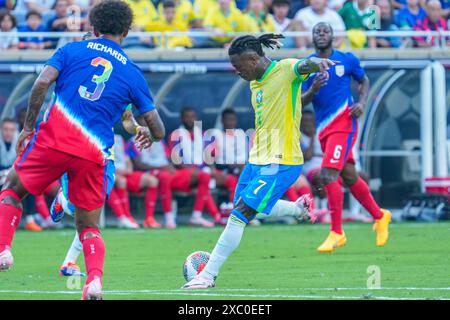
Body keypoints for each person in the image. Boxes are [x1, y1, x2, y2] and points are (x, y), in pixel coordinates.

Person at [0, 0, 165, 301]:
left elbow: (41, 84)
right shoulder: (131, 72)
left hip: (54, 141)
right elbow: (156, 125)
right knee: (89, 226)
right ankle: (94, 282)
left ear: (93, 27)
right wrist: (150, 136)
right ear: (127, 31)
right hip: (94, 153)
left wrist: (28, 127)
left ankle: (4, 250)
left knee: (11, 190)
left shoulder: (71, 51)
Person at [182, 33, 333, 289]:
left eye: (239, 67)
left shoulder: (285, 69)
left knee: (240, 215)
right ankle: (298, 209)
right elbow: (293, 101)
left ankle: (207, 276)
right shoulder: (255, 83)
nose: (237, 72)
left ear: (253, 59)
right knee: (245, 207)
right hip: (257, 158)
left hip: (281, 159)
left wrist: (317, 62)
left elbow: (303, 64)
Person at [301, 22, 391, 253]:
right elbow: (300, 101)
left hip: (344, 123)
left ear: (333, 36)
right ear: (312, 37)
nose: (321, 34)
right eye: (317, 31)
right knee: (349, 176)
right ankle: (380, 216)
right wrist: (313, 90)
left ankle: (336, 232)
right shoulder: (308, 66)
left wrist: (361, 103)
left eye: (325, 31)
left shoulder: (347, 59)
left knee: (328, 174)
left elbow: (364, 81)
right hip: (324, 129)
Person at [169, 107, 221, 227]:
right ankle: (210, 215)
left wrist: (212, 168)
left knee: (228, 179)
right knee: (204, 177)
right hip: (185, 172)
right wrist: (193, 170)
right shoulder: (176, 135)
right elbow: (176, 160)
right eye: (187, 116)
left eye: (192, 116)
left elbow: (209, 156)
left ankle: (230, 214)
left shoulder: (202, 134)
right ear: (182, 119)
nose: (190, 119)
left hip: (202, 170)